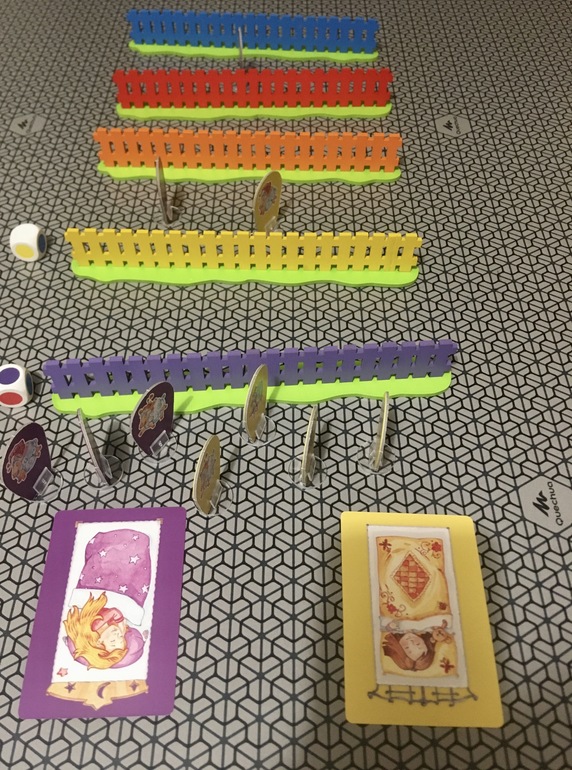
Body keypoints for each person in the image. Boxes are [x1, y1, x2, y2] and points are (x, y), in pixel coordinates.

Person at [64, 592, 145, 670]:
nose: (117, 634)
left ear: (99, 642)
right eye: (121, 637)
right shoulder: (109, 629)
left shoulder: (95, 626)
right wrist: (122, 630)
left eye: (113, 641)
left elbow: (114, 612)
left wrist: (120, 624)